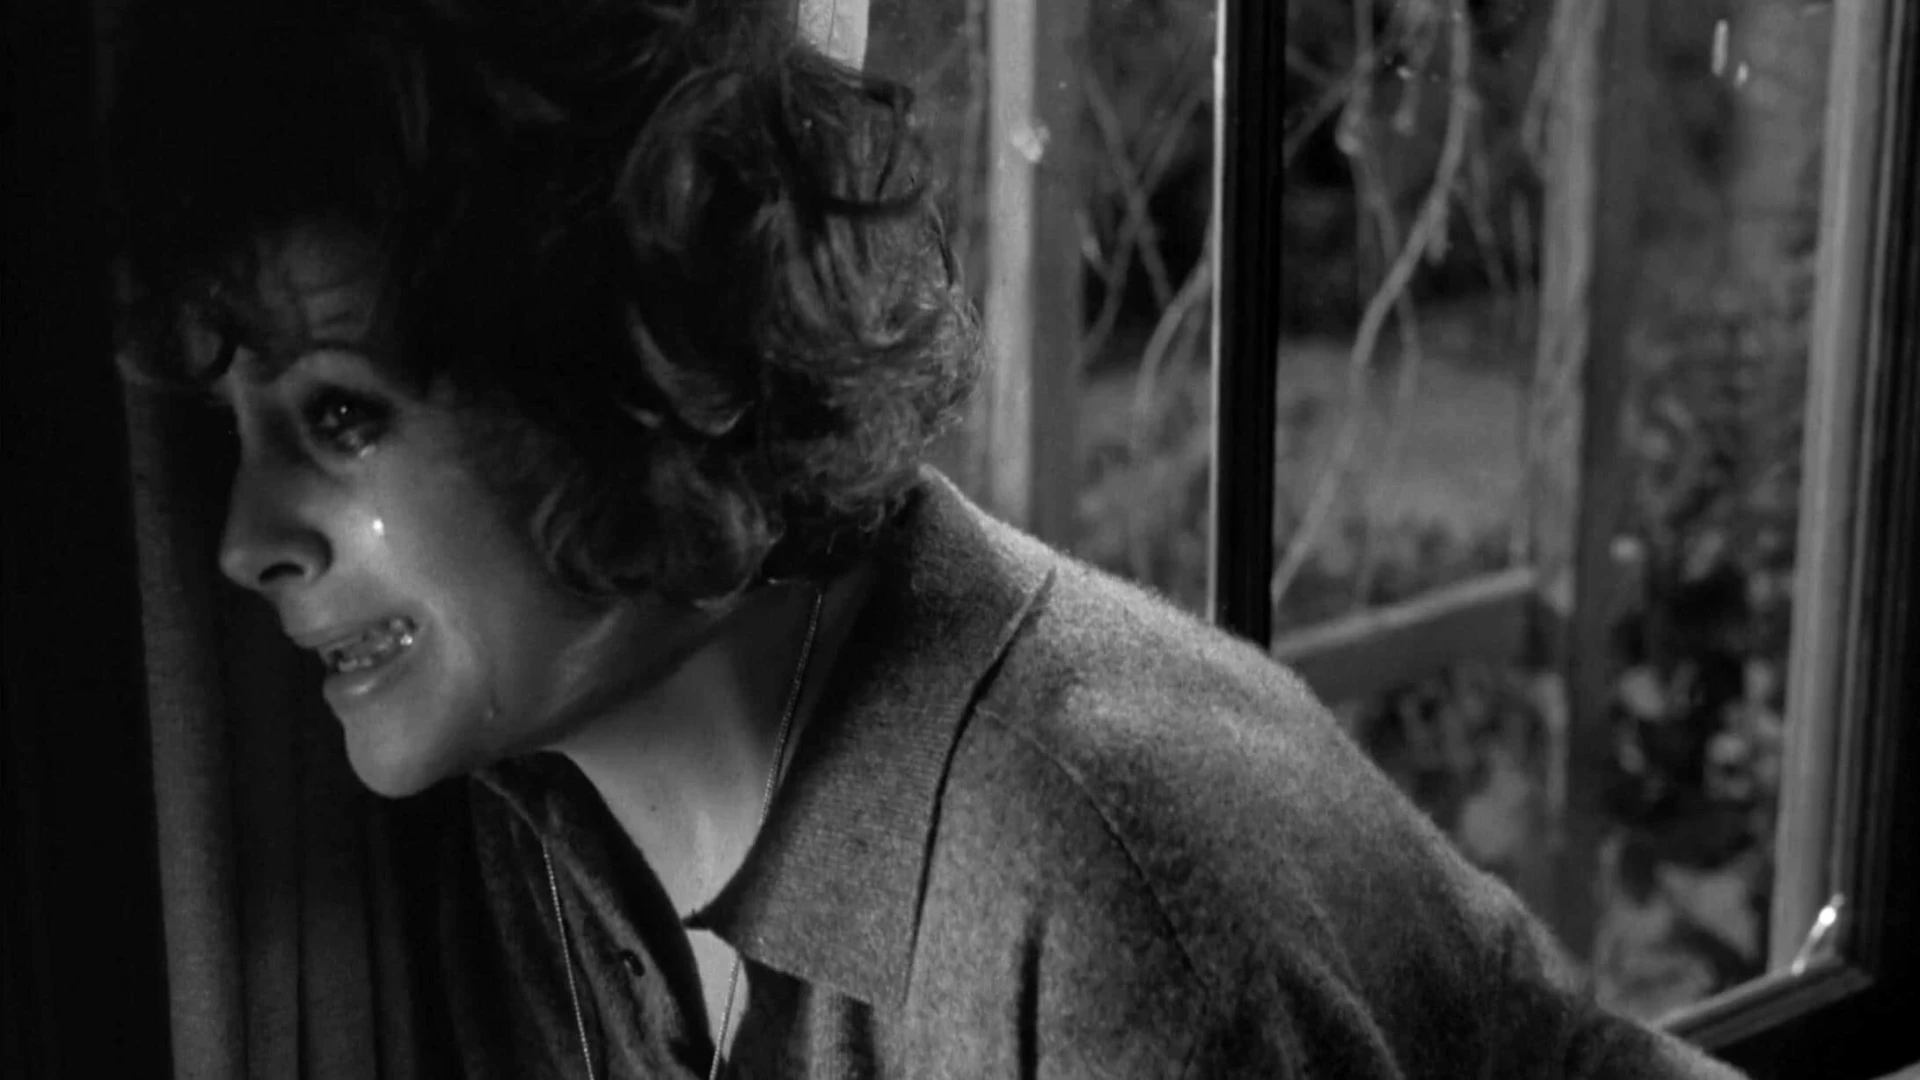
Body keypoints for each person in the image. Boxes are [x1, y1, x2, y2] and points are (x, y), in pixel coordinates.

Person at [109, 0, 1751, 1076]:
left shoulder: (1088, 900)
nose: (245, 542)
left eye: (342, 418)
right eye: (242, 432)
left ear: (634, 367)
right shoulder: (536, 821)